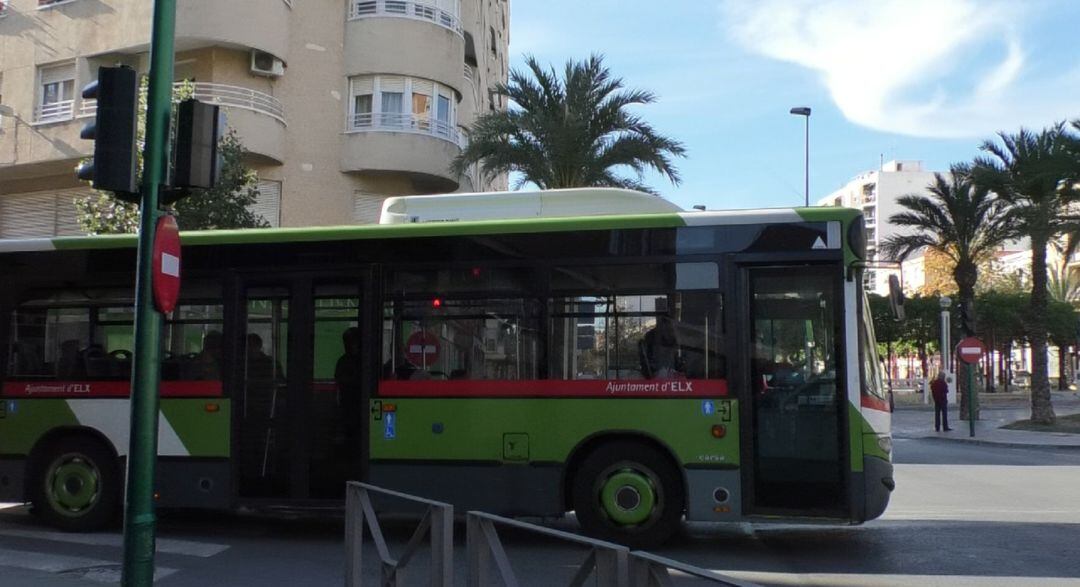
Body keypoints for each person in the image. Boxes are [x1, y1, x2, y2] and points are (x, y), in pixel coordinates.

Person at [335, 327, 363, 446]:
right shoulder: (344, 361)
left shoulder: (363, 360)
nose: (352, 345)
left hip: (357, 404)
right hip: (348, 404)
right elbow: (341, 380)